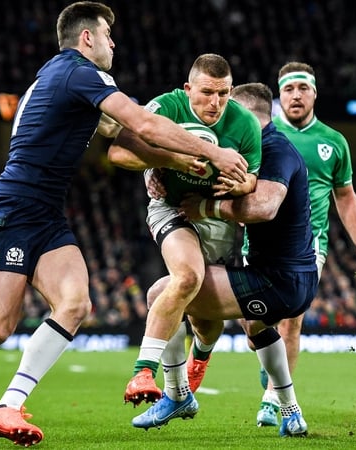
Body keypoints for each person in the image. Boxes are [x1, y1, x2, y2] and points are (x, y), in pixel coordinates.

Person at [0, 3, 249, 447]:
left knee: (75, 304)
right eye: (109, 34)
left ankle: (9, 405)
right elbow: (143, 122)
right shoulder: (79, 73)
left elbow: (126, 138)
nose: (114, 43)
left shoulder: (66, 79)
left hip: (47, 214)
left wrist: (174, 159)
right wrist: (214, 154)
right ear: (86, 37)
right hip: (12, 208)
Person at [188, 61, 356, 427]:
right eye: (289, 89)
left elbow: (346, 195)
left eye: (302, 89)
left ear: (314, 94)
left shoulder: (333, 141)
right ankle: (257, 368)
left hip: (308, 245)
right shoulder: (253, 136)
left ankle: (275, 401)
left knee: (290, 322)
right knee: (254, 325)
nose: (296, 95)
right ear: (278, 97)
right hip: (253, 239)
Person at [134, 82, 315, 437]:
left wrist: (205, 207)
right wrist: (159, 173)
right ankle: (291, 412)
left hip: (277, 279)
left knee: (161, 294)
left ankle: (177, 393)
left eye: (231, 114)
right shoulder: (265, 148)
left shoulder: (274, 148)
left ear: (246, 115)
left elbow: (264, 207)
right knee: (255, 326)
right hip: (285, 274)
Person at [107, 54, 262, 408]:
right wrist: (167, 161)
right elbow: (118, 152)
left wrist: (237, 185)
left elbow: (252, 179)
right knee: (188, 276)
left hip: (217, 220)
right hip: (171, 208)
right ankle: (144, 372)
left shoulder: (245, 124)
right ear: (188, 89)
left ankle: (201, 355)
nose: (215, 103)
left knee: (206, 322)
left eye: (223, 94)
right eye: (207, 92)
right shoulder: (166, 106)